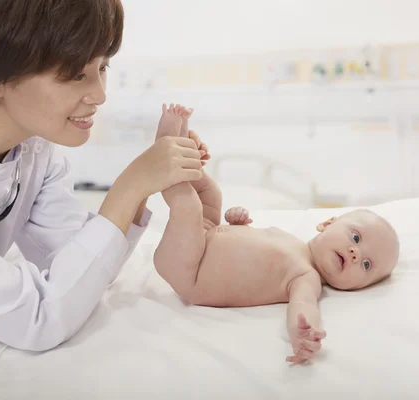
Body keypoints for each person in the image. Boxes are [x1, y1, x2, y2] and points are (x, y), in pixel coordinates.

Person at [0, 1, 207, 398]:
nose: (99, 94)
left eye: (102, 67)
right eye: (74, 75)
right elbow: (40, 317)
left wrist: (152, 181)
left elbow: (82, 265)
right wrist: (130, 186)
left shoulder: (34, 148)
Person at [152, 104, 400, 365]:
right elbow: (243, 247)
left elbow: (303, 307)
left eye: (366, 264)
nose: (355, 253)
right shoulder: (292, 241)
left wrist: (304, 333)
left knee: (188, 205)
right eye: (356, 238)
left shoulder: (306, 277)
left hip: (191, 270)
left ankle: (165, 147)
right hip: (205, 236)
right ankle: (183, 151)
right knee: (211, 194)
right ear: (327, 223)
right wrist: (236, 222)